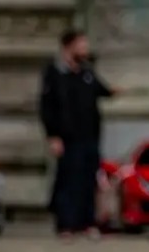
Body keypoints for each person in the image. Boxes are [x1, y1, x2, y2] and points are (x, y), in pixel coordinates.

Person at [40, 29, 117, 240]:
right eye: (81, 44)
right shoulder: (54, 73)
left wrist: (117, 91)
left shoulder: (86, 72)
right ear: (69, 46)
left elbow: (102, 90)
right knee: (68, 181)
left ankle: (87, 222)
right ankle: (66, 224)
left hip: (89, 136)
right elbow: (47, 107)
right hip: (67, 139)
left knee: (88, 180)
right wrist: (53, 135)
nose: (85, 49)